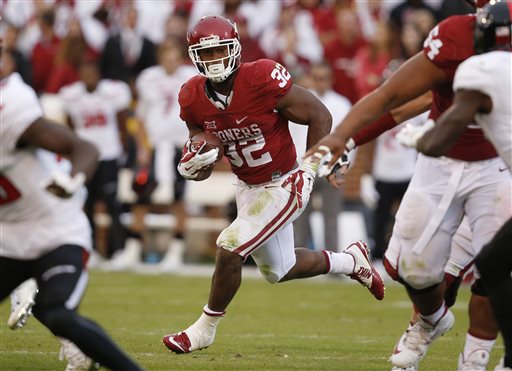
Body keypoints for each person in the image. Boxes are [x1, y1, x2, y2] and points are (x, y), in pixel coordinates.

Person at [305, 1, 511, 370]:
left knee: (495, 267)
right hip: (444, 162)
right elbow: (397, 101)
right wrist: (345, 138)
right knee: (411, 268)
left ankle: (477, 357)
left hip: (498, 169)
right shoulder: (456, 38)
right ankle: (430, 321)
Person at [161, 15, 385, 355]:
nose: (213, 60)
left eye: (219, 51)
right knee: (279, 269)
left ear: (235, 48)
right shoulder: (192, 96)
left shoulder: (260, 78)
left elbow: (319, 114)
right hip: (247, 185)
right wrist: (196, 159)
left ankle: (204, 329)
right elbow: (198, 137)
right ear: (193, 57)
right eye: (205, 54)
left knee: (230, 244)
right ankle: (351, 261)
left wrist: (314, 165)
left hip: (285, 181)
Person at [0, 42, 142, 370]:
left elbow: (85, 148)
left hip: (54, 228)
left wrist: (72, 180)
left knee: (57, 313)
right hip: (8, 238)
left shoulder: (9, 109)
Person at [407, 3, 512, 369]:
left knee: (494, 268)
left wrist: (422, 140)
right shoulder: (489, 67)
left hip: (493, 178)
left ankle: (482, 355)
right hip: (487, 178)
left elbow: (442, 130)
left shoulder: (488, 68)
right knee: (483, 265)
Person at [59, 60, 131, 259]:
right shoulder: (72, 95)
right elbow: (70, 127)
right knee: (86, 204)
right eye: (85, 73)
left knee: (112, 203)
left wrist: (123, 149)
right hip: (86, 158)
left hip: (108, 154)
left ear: (99, 75)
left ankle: (118, 250)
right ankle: (90, 250)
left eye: (92, 73)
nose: (89, 77)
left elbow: (122, 123)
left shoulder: (113, 92)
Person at [291, 62, 352, 251]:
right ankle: (300, 256)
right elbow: (293, 134)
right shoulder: (302, 100)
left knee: (331, 214)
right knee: (299, 214)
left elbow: (350, 136)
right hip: (304, 163)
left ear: (330, 80)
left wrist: (344, 164)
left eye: (323, 78)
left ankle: (332, 258)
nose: (320, 82)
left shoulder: (342, 104)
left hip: (332, 164)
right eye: (316, 78)